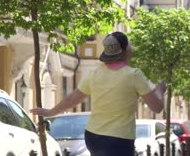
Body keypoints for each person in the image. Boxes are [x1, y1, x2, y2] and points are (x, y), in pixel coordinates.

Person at [31, 31, 165, 156]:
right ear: (126, 51)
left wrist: (50, 112)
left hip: (93, 136)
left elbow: (71, 100)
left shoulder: (95, 73)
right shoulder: (134, 75)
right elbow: (157, 107)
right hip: (119, 139)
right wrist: (159, 90)